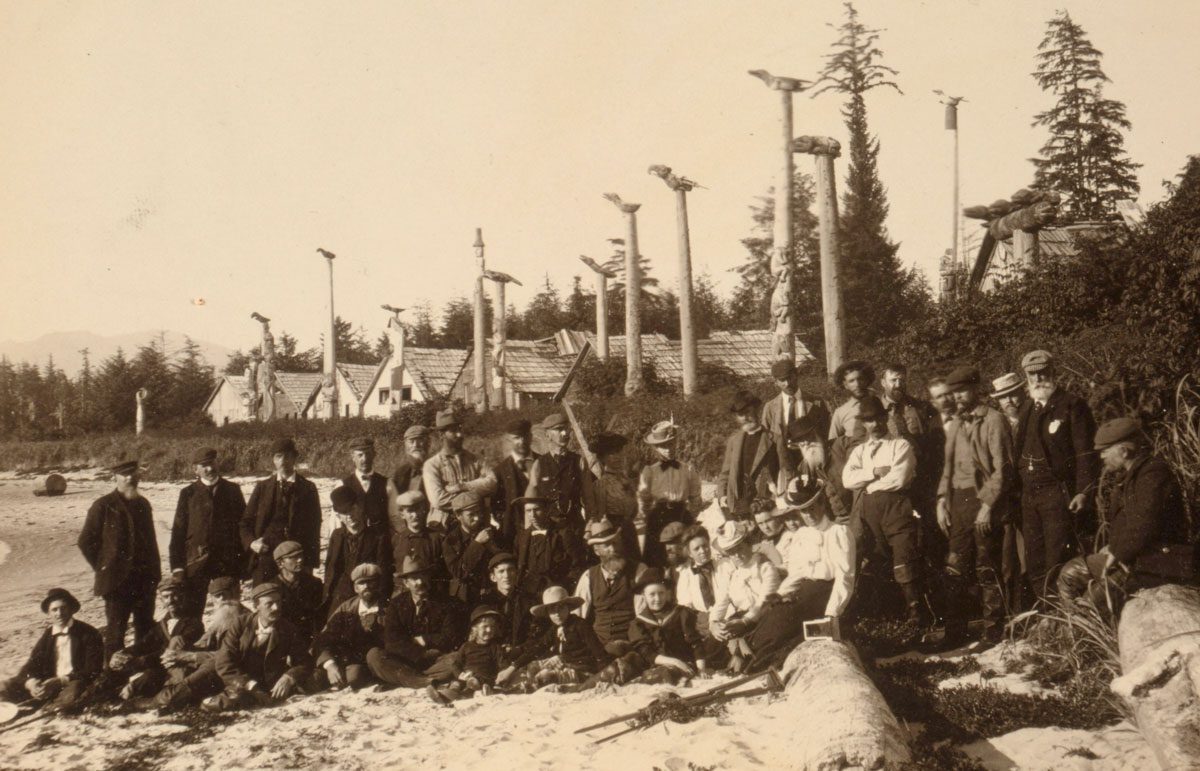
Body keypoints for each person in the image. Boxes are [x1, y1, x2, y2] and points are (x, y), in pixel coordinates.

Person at [1057, 418, 1191, 605]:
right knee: (1069, 573)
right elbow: (1127, 523)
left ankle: (1087, 627)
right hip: (1134, 558)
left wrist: (1118, 553)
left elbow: (1144, 524)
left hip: (1156, 563)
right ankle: (1073, 625)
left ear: (1124, 451)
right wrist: (1113, 548)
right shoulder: (1129, 477)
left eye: (1105, 451)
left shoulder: (1153, 474)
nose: (1101, 457)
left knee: (1092, 603)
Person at [937, 366, 1015, 647]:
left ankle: (992, 633)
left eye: (963, 390)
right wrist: (941, 499)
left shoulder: (994, 420)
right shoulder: (956, 422)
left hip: (983, 499)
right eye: (954, 392)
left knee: (986, 567)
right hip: (958, 500)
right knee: (954, 567)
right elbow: (947, 465)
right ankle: (954, 634)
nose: (957, 396)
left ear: (976, 390)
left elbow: (1003, 468)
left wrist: (988, 505)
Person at [1013, 349, 1099, 599]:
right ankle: (1047, 618)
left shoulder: (1072, 405)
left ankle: (1067, 618)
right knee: (1035, 559)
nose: (1039, 379)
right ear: (1026, 377)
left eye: (1043, 373)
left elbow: (1086, 453)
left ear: (1053, 372)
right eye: (1032, 374)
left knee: (1057, 557)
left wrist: (1083, 492)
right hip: (1030, 496)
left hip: (1057, 494)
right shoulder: (1027, 407)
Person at [841, 396, 923, 624]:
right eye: (868, 421)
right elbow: (847, 479)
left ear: (885, 418)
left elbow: (899, 478)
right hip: (869, 513)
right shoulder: (859, 452)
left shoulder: (900, 445)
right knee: (878, 562)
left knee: (903, 559)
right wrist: (874, 473)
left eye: (877, 419)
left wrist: (868, 484)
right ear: (863, 423)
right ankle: (889, 618)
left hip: (896, 508)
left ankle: (916, 613)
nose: (874, 425)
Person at [79, 459, 161, 657]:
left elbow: (151, 542)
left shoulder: (143, 504)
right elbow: (86, 541)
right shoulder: (103, 505)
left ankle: (142, 673)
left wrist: (155, 573)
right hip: (116, 583)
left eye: (133, 474)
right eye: (125, 474)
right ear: (115, 477)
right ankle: (113, 678)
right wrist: (104, 566)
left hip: (144, 580)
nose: (130, 478)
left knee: (145, 630)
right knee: (116, 634)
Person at [90, 576, 204, 704]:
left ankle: (121, 697)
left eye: (174, 596)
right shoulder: (163, 624)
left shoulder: (194, 624)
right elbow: (145, 644)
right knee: (115, 670)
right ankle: (91, 697)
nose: (170, 601)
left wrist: (140, 661)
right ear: (161, 599)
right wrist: (125, 653)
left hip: (177, 668)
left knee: (149, 676)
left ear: (183, 596)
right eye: (166, 597)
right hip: (158, 664)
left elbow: (170, 653)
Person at [205, 582, 314, 711]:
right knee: (225, 701)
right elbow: (225, 662)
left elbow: (305, 661)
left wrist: (288, 677)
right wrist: (251, 686)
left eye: (279, 602)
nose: (276, 608)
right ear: (257, 606)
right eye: (269, 604)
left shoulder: (288, 629)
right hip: (242, 682)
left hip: (271, 685)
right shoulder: (240, 624)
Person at [148, 577, 249, 713]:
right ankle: (168, 691)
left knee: (203, 668)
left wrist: (191, 656)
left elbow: (234, 655)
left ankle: (165, 699)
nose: (223, 601)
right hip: (215, 666)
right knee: (178, 645)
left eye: (226, 595)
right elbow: (202, 642)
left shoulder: (246, 619)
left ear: (237, 594)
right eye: (217, 597)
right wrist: (177, 652)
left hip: (231, 671)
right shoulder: (222, 617)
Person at [169, 447, 246, 619]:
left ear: (217, 463)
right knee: (191, 613)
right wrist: (177, 566)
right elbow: (178, 532)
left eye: (211, 463)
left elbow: (243, 527)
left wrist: (244, 564)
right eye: (203, 465)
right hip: (196, 564)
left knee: (230, 611)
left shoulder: (232, 490)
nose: (209, 469)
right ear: (195, 469)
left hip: (226, 563)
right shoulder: (188, 494)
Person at [366, 557, 465, 688]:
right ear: (406, 583)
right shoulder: (396, 604)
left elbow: (450, 637)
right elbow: (392, 641)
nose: (420, 581)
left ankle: (406, 679)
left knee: (456, 659)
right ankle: (423, 681)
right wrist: (419, 654)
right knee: (374, 655)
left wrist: (423, 640)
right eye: (414, 578)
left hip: (436, 660)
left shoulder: (447, 603)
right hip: (406, 659)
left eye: (423, 576)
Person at [1, 588, 104, 714]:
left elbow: (93, 670)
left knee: (74, 691)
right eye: (54, 610)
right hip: (48, 683)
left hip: (73, 682)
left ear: (71, 609)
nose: (59, 613)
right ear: (49, 613)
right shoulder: (49, 634)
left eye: (63, 608)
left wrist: (61, 680)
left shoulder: (89, 633)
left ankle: (51, 707)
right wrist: (31, 683)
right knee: (6, 685)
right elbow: (32, 663)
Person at [497, 586, 610, 691]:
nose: (556, 614)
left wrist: (600, 677)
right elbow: (537, 648)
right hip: (564, 662)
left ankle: (520, 690)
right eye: (552, 610)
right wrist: (511, 668)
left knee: (546, 676)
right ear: (547, 613)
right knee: (531, 667)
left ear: (569, 608)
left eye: (560, 608)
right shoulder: (555, 628)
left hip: (583, 669)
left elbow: (599, 653)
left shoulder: (581, 625)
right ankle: (504, 685)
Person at [241, 438, 322, 584]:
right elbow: (245, 522)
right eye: (278, 456)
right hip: (266, 556)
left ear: (295, 458)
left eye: (288, 456)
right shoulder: (262, 487)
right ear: (273, 460)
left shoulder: (308, 488)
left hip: (296, 558)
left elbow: (314, 528)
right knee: (266, 598)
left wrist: (310, 564)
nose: (283, 461)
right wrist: (252, 543)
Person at [573, 519, 651, 648]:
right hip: (598, 644)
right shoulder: (588, 576)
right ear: (597, 551)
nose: (613, 548)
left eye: (615, 542)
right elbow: (578, 615)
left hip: (631, 642)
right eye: (606, 545)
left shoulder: (639, 570)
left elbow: (643, 614)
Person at [709, 521, 782, 656]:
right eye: (731, 553)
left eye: (739, 549)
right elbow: (721, 601)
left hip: (765, 616)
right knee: (712, 644)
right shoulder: (732, 574)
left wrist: (745, 621)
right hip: (741, 620)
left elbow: (764, 601)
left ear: (749, 545)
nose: (736, 556)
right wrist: (713, 623)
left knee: (759, 644)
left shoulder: (764, 567)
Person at [992, 372, 1031, 613]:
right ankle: (1014, 613)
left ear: (1022, 393)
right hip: (1006, 499)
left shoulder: (1032, 418)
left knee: (1029, 555)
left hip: (1030, 495)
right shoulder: (998, 424)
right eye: (1003, 398)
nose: (1009, 402)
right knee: (1008, 560)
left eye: (1013, 395)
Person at [637, 420, 701, 568]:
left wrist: (690, 517)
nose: (668, 449)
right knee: (658, 558)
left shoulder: (687, 469)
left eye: (671, 444)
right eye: (663, 446)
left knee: (685, 556)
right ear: (656, 448)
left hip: (682, 514)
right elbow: (643, 500)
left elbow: (695, 498)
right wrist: (649, 517)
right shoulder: (650, 471)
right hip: (659, 517)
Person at [625, 570, 708, 684]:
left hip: (685, 664)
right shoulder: (639, 623)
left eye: (661, 593)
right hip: (657, 665)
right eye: (652, 594)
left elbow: (696, 644)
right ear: (644, 595)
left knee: (670, 675)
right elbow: (646, 653)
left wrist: (701, 669)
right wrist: (675, 662)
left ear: (667, 593)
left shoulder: (681, 613)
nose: (658, 599)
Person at [313, 564, 387, 691]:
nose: (366, 587)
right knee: (314, 679)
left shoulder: (389, 608)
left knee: (354, 676)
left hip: (376, 662)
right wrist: (330, 665)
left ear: (379, 584)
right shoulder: (346, 608)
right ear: (355, 588)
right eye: (361, 583)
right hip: (346, 660)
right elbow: (323, 639)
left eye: (371, 582)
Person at [322, 485, 392, 618]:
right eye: (344, 512)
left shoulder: (378, 537)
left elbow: (384, 573)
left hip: (367, 597)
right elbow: (329, 570)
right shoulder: (336, 536)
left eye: (352, 509)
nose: (350, 516)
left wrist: (381, 603)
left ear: (360, 508)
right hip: (339, 598)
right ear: (338, 516)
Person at [761, 359, 831, 490]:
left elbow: (827, 435)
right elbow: (765, 445)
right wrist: (770, 479)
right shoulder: (770, 408)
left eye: (789, 378)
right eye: (782, 380)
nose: (787, 383)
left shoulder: (817, 403)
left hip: (812, 462)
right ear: (776, 382)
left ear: (796, 375)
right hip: (783, 465)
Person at [423, 409, 498, 530]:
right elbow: (438, 500)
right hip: (445, 527)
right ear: (441, 435)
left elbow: (493, 482)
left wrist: (462, 486)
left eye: (459, 429)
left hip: (475, 524)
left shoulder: (475, 460)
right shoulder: (432, 465)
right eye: (453, 431)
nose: (459, 434)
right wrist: (475, 498)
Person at [717, 391, 779, 521]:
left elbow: (785, 471)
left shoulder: (774, 439)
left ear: (757, 410)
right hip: (739, 504)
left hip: (766, 504)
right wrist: (722, 495)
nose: (745, 418)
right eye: (740, 414)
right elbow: (726, 473)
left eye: (748, 412)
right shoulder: (734, 441)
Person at [425, 606, 507, 703]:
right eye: (485, 627)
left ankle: (470, 694)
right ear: (475, 628)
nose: (489, 630)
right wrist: (459, 674)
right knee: (456, 684)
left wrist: (500, 679)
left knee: (474, 683)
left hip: (484, 677)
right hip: (467, 676)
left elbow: (502, 664)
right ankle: (443, 697)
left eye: (492, 627)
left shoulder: (495, 647)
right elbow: (456, 664)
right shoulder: (467, 646)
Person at [580, 432, 641, 561]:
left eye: (619, 452)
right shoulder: (601, 484)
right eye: (612, 454)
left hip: (629, 529)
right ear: (602, 458)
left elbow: (634, 509)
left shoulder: (627, 481)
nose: (618, 456)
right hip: (611, 532)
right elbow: (599, 514)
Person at [514, 492, 583, 596]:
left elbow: (576, 566)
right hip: (528, 593)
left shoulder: (563, 533)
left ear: (547, 510)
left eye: (537, 510)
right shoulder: (521, 538)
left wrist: (563, 589)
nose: (532, 515)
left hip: (556, 591)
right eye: (528, 511)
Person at [443, 490, 503, 605]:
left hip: (492, 592)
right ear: (458, 515)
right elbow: (459, 572)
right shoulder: (451, 541)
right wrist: (477, 544)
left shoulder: (491, 533)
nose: (477, 518)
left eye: (479, 513)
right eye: (471, 514)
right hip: (465, 597)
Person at [529, 413, 587, 531]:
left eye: (566, 429)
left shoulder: (579, 462)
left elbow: (589, 499)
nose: (565, 433)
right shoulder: (539, 464)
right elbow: (531, 501)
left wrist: (590, 528)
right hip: (548, 530)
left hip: (574, 528)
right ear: (548, 435)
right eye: (559, 430)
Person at [479, 552, 543, 650]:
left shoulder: (529, 601)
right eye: (501, 571)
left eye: (511, 570)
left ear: (517, 573)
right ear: (493, 577)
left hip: (521, 652)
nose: (507, 575)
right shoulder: (485, 602)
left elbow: (535, 633)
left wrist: (518, 649)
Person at [389, 490, 448, 595]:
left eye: (418, 509)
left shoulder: (436, 538)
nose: (415, 514)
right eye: (410, 511)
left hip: (431, 593)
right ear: (402, 514)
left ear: (424, 510)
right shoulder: (396, 540)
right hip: (404, 594)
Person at [493, 419, 540, 544]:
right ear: (509, 440)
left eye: (525, 436)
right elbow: (496, 505)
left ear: (530, 437)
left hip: (541, 528)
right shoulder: (500, 471)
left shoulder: (544, 462)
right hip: (514, 533)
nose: (522, 441)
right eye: (517, 437)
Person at [272, 541, 324, 647]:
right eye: (293, 557)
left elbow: (318, 617)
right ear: (280, 563)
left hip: (309, 640)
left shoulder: (314, 583)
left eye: (301, 555)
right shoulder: (272, 588)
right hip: (282, 640)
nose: (300, 560)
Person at [674, 526, 717, 630]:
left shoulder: (721, 565)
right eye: (696, 549)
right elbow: (686, 605)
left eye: (705, 546)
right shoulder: (686, 574)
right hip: (704, 622)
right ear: (690, 553)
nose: (703, 551)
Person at [387, 425, 432, 525]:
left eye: (420, 440)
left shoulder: (437, 468)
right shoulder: (400, 473)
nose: (415, 445)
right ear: (406, 445)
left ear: (429, 443)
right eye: (411, 441)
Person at [343, 437, 390, 532]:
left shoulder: (387, 483)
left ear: (374, 455)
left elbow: (395, 517)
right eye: (360, 455)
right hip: (354, 542)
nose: (364, 459)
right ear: (353, 457)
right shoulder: (343, 485)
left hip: (381, 541)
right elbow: (337, 519)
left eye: (368, 454)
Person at [830, 360, 876, 442]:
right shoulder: (840, 412)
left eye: (860, 379)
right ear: (845, 385)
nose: (857, 384)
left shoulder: (881, 404)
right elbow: (834, 444)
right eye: (851, 381)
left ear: (866, 380)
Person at [751, 502, 789, 569]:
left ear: (777, 518)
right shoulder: (763, 541)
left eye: (768, 520)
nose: (765, 527)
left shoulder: (789, 537)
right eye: (760, 523)